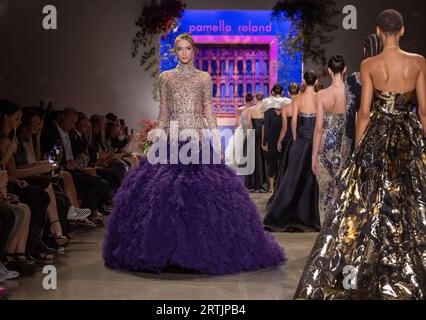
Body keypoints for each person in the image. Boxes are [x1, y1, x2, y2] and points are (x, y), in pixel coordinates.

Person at [103, 33, 285, 275]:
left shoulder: (203, 78)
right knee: (163, 195)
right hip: (172, 137)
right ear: (175, 51)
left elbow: (209, 110)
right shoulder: (165, 78)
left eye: (188, 48)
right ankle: (167, 251)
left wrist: (216, 139)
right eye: (180, 49)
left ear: (194, 51)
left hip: (197, 138)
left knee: (201, 195)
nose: (184, 53)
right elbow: (165, 112)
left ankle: (199, 251)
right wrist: (158, 135)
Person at [294, 9, 426, 300]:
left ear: (379, 32)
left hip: (378, 135)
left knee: (368, 202)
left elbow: (364, 113)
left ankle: (359, 273)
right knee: (410, 199)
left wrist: (359, 151)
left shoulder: (369, 64)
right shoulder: (418, 62)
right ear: (401, 31)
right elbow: (424, 110)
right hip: (408, 136)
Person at [264, 71, 320, 232]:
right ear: (316, 81)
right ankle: (310, 216)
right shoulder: (319, 97)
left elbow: (293, 121)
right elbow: (321, 122)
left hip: (301, 139)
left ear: (304, 81)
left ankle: (284, 213)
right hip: (314, 139)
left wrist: (295, 139)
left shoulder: (297, 99)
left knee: (293, 178)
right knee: (311, 177)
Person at [312, 54, 351, 225]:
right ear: (345, 70)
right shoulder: (351, 93)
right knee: (343, 193)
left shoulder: (321, 94)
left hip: (326, 146)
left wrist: (314, 156)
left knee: (325, 195)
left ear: (329, 70)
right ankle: (339, 237)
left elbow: (319, 128)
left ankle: (325, 239)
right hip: (345, 146)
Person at [346, 34, 384, 152]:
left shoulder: (352, 80)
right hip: (386, 133)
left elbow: (350, 117)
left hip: (362, 133)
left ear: (364, 50)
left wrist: (351, 146)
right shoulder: (392, 77)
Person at [262, 84, 291, 194]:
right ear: (282, 92)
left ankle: (272, 188)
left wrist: (264, 142)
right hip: (284, 138)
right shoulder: (288, 106)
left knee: (272, 163)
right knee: (282, 162)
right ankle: (279, 187)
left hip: (274, 139)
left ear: (272, 93)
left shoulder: (268, 110)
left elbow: (266, 126)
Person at [245, 92, 267, 192]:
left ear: (256, 99)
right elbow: (265, 125)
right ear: (263, 99)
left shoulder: (250, 110)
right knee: (262, 159)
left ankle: (252, 184)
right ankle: (263, 184)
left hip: (253, 134)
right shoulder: (265, 110)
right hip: (262, 135)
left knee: (252, 158)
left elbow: (249, 124)